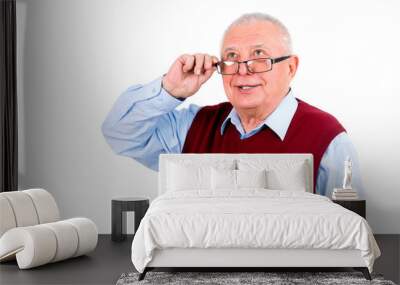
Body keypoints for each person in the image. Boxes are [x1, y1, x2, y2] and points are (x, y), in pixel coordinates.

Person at [102, 13, 364, 197]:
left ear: (291, 67)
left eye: (259, 56)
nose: (243, 70)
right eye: (231, 57)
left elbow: (348, 231)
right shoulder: (193, 126)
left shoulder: (329, 138)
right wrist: (171, 90)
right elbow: (118, 132)